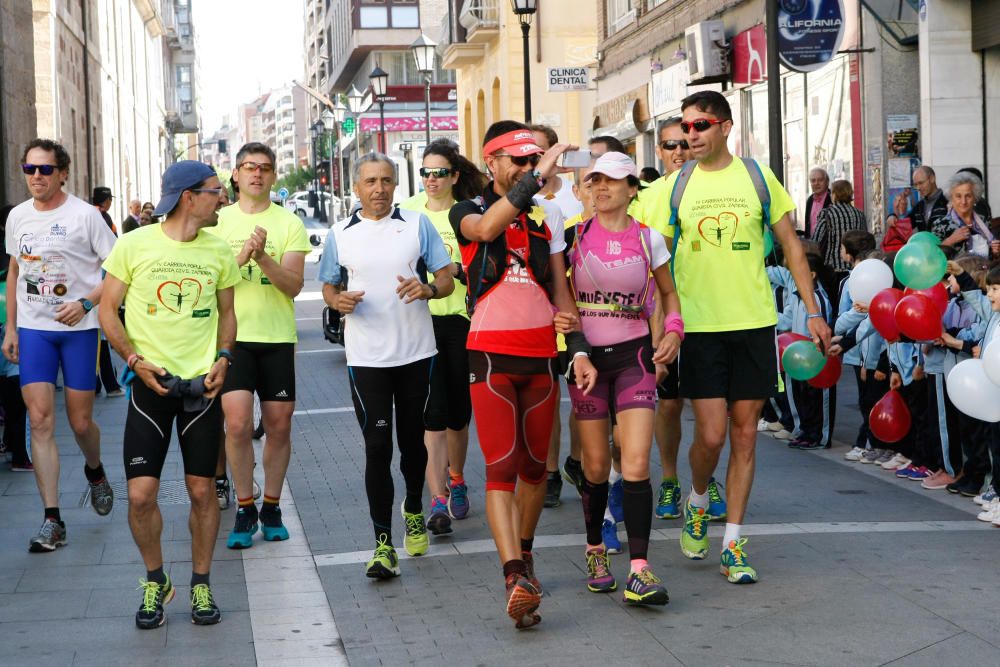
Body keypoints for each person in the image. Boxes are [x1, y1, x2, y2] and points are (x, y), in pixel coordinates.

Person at [651, 92, 830, 584]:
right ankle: (697, 498)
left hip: (753, 323)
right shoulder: (676, 185)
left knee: (745, 434)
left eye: (701, 124)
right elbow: (657, 264)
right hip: (700, 327)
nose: (692, 135)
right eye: (686, 127)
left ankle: (731, 543)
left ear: (726, 126)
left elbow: (793, 246)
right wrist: (657, 329)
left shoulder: (757, 176)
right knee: (709, 436)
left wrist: (812, 312)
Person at [449, 121, 596, 629]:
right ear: (492, 162)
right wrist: (536, 180)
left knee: (536, 469)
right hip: (489, 355)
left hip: (539, 357)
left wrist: (576, 348)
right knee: (502, 466)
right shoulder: (467, 209)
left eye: (534, 162)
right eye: (519, 160)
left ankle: (525, 558)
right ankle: (512, 575)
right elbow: (487, 230)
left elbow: (562, 292)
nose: (529, 170)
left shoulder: (545, 218)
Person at [100, 160, 238, 629]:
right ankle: (155, 580)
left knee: (203, 492)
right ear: (188, 197)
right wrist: (134, 361)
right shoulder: (134, 244)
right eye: (216, 191)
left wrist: (223, 358)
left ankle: (201, 584)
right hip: (149, 387)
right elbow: (106, 310)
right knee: (140, 496)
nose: (222, 198)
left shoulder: (218, 251)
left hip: (202, 387)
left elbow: (228, 314)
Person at [319, 153, 455, 580]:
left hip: (416, 353)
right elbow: (328, 285)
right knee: (377, 448)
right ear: (356, 188)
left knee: (413, 446)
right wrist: (335, 301)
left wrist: (429, 288)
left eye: (386, 181)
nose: (378, 188)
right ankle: (382, 545)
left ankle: (413, 507)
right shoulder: (340, 234)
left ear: (396, 185)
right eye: (370, 181)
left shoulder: (417, 225)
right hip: (366, 358)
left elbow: (447, 277)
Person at [565, 151, 680, 605]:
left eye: (612, 181)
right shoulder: (572, 238)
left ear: (633, 188)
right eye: (594, 180)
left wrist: (672, 333)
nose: (601, 188)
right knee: (595, 466)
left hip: (635, 357)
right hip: (587, 363)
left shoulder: (649, 239)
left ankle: (639, 569)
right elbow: (557, 295)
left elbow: (669, 294)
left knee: (634, 463)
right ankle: (595, 548)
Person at [3, 138, 117, 552]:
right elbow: (14, 272)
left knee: (81, 422)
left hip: (80, 331)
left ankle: (95, 470)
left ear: (63, 172)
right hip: (34, 330)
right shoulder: (18, 216)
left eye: (45, 170)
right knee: (40, 420)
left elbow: (118, 271)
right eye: (29, 169)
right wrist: (11, 329)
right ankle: (53, 518)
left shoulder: (86, 216)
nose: (36, 177)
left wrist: (86, 302)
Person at [208, 142, 311, 549]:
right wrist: (242, 254)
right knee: (235, 423)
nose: (256, 174)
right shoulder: (215, 222)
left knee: (278, 425)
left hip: (276, 337)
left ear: (273, 177)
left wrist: (264, 256)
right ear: (235, 174)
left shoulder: (289, 224)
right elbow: (210, 282)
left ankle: (271, 505)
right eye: (249, 167)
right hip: (232, 338)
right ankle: (245, 506)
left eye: (265, 168)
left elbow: (293, 286)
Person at [629, 116, 727, 522]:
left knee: (713, 412)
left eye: (684, 145)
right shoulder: (649, 199)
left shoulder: (719, 187)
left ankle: (705, 481)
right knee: (667, 407)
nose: (678, 152)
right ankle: (669, 479)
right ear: (660, 151)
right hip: (664, 318)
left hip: (711, 316)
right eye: (669, 146)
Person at [398, 139, 485, 535]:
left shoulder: (469, 212)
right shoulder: (408, 212)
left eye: (439, 173)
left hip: (464, 322)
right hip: (421, 320)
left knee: (457, 413)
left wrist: (459, 271)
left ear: (454, 175)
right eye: (425, 173)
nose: (431, 180)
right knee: (431, 413)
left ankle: (457, 478)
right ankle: (436, 500)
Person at [528, 124, 581, 508]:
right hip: (540, 317)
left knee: (584, 400)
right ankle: (548, 473)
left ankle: (577, 462)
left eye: (541, 152)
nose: (536, 160)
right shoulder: (521, 202)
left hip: (580, 314)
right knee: (549, 401)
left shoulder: (576, 198)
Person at [0, 204, 31, 471]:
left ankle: (12, 445)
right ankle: (19, 452)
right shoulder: (17, 239)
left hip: (10, 318)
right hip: (11, 317)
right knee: (15, 387)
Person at [811, 179, 867, 300]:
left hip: (834, 268)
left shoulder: (827, 213)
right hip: (856, 267)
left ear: (835, 194)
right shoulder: (859, 214)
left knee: (835, 302)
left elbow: (816, 239)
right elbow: (865, 238)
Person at [937, 171, 997, 258]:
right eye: (958, 196)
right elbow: (933, 258)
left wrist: (995, 253)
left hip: (983, 271)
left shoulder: (984, 221)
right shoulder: (940, 224)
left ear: (975, 197)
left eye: (968, 196)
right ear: (951, 198)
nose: (963, 201)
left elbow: (990, 257)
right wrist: (950, 241)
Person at [895, 166, 947, 234]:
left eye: (921, 183)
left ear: (932, 178)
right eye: (916, 185)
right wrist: (892, 215)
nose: (918, 188)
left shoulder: (947, 201)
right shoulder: (919, 207)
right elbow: (903, 227)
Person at [804, 168, 831, 237]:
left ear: (827, 182)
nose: (816, 183)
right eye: (813, 181)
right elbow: (808, 226)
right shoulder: (809, 200)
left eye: (820, 180)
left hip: (828, 245)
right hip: (812, 244)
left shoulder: (833, 198)